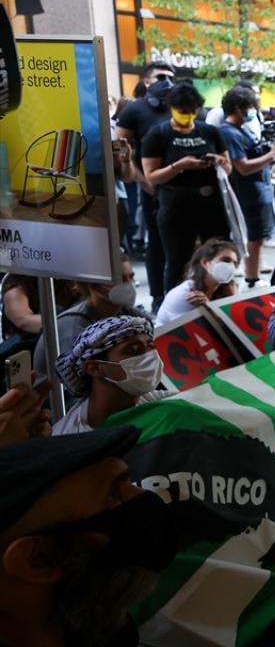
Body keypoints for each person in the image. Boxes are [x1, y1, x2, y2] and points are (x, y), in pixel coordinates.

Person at [0, 426, 215, 645]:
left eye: (130, 482)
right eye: (113, 495)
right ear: (39, 558)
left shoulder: (109, 631)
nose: (144, 497)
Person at [139, 80, 232, 291]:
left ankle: (220, 296)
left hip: (212, 204)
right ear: (172, 108)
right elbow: (152, 177)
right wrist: (179, 166)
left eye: (193, 111)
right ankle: (173, 301)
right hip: (175, 206)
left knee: (219, 256)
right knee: (178, 260)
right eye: (183, 112)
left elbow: (228, 168)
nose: (188, 116)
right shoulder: (158, 134)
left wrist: (219, 161)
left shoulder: (210, 132)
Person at [115, 60, 175, 309]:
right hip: (152, 190)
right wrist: (143, 180)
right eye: (161, 77)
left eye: (170, 77)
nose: (167, 82)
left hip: (181, 191)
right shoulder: (134, 110)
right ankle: (158, 298)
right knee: (157, 245)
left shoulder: (180, 106)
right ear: (147, 81)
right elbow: (119, 147)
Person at [52, 315, 168, 435]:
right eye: (133, 349)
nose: (150, 355)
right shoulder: (69, 436)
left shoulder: (161, 402)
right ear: (95, 368)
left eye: (151, 346)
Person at [33, 256, 144, 378]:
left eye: (131, 277)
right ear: (93, 284)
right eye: (121, 280)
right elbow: (78, 384)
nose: (129, 284)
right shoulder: (75, 332)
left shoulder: (128, 313)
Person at [216, 85, 275, 288]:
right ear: (238, 107)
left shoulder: (240, 130)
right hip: (247, 194)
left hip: (257, 192)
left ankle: (254, 277)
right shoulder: (229, 133)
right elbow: (242, 167)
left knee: (258, 238)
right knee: (252, 238)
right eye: (250, 106)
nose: (252, 111)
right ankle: (251, 279)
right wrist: (272, 155)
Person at [155, 239, 240, 326]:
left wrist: (234, 300)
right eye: (226, 260)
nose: (231, 267)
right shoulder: (186, 295)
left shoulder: (227, 290)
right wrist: (212, 309)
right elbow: (193, 331)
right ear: (205, 262)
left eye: (235, 263)